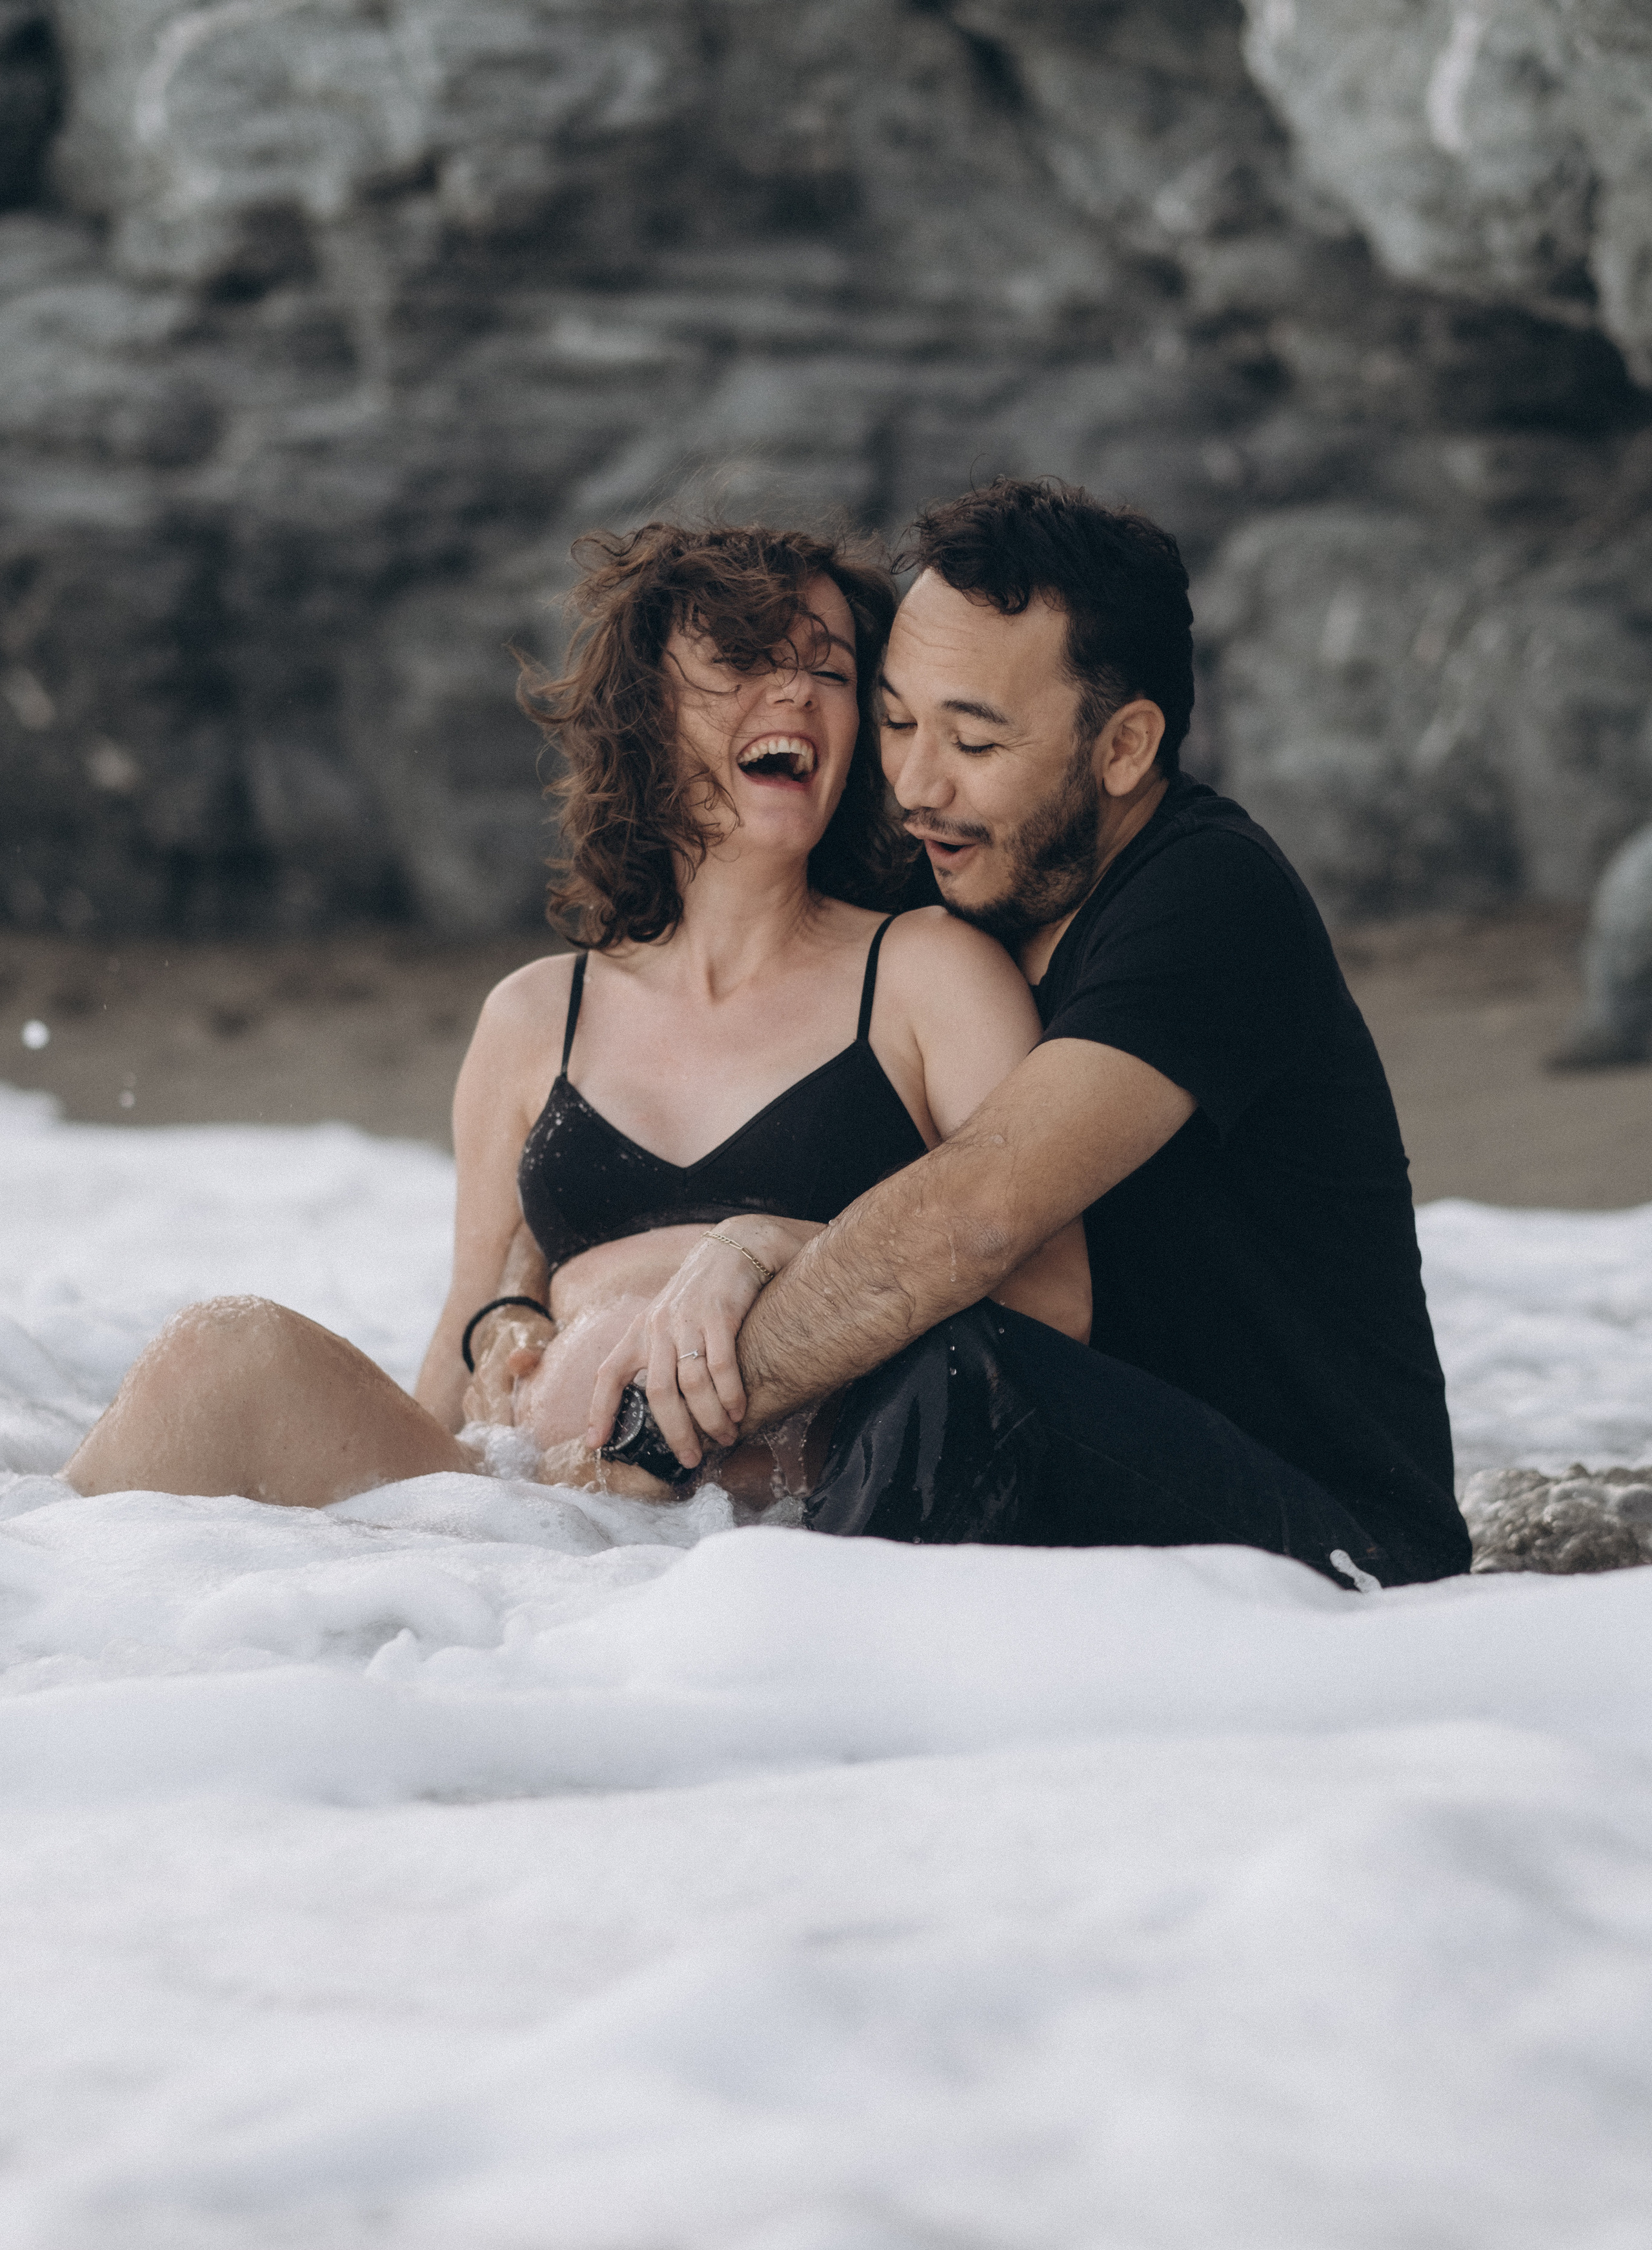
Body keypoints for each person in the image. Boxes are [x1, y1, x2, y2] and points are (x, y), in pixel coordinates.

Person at [63, 518, 1089, 1511]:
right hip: (534, 1531)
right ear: (646, 715)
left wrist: (775, 1247)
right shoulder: (532, 1017)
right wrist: (494, 1347)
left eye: (830, 670)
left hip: (773, 1541)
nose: (795, 692)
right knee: (217, 1353)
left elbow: (1053, 1308)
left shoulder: (928, 974)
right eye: (745, 660)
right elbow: (461, 1346)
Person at [587, 479, 1473, 1588]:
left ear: (1124, 747)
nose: (915, 784)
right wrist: (520, 1318)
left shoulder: (1212, 899)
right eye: (898, 722)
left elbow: (973, 1221)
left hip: (1346, 1567)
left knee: (970, 1368)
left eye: (973, 740)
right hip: (1102, 1548)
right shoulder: (956, 881)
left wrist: (656, 1430)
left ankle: (775, 1667)